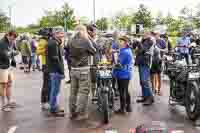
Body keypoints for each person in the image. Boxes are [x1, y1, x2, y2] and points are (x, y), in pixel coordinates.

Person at [68, 25, 96, 120]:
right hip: (83, 69)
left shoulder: (70, 40)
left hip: (73, 69)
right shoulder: (85, 40)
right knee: (83, 92)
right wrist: (89, 39)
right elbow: (93, 51)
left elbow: (66, 52)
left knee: (73, 91)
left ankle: (72, 111)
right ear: (84, 31)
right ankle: (81, 113)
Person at [47, 27, 65, 116]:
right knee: (55, 90)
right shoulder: (53, 43)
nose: (63, 35)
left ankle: (54, 106)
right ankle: (53, 108)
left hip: (55, 70)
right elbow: (55, 59)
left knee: (56, 90)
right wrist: (61, 71)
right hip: (55, 70)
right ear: (56, 34)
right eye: (61, 33)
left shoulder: (55, 42)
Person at [113, 35, 133, 114]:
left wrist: (113, 67)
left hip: (123, 73)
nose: (119, 42)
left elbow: (119, 64)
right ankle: (128, 107)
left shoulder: (124, 52)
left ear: (125, 43)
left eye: (121, 41)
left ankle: (122, 109)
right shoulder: (127, 50)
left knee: (122, 91)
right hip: (126, 73)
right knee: (126, 90)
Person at [0, 31, 18, 111]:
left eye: (14, 39)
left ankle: (9, 102)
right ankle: (3, 105)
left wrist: (11, 52)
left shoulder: (11, 42)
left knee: (9, 84)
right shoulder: (2, 43)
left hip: (9, 66)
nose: (13, 40)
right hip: (2, 66)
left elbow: (16, 51)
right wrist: (12, 53)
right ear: (8, 35)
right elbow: (4, 55)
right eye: (12, 38)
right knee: (3, 85)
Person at [135, 32, 154, 106]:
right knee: (142, 81)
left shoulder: (150, 41)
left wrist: (139, 43)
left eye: (145, 34)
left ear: (149, 35)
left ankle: (150, 98)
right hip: (141, 63)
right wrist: (136, 43)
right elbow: (137, 50)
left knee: (145, 81)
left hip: (145, 63)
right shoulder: (142, 41)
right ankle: (145, 97)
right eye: (143, 34)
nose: (143, 35)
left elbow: (143, 49)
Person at [36, 31, 50, 110]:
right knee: (46, 84)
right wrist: (46, 49)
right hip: (46, 64)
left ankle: (48, 100)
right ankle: (44, 102)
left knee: (49, 84)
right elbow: (38, 52)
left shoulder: (47, 40)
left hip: (50, 64)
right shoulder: (42, 41)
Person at [86, 24, 100, 100]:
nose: (96, 32)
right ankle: (92, 95)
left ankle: (95, 94)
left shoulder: (98, 39)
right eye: (95, 30)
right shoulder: (86, 39)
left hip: (97, 62)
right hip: (88, 63)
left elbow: (98, 48)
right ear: (89, 31)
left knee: (96, 79)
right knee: (91, 80)